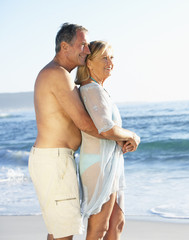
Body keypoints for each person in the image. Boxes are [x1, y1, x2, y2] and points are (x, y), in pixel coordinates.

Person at [28, 23, 139, 240]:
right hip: (54, 160)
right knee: (64, 232)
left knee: (61, 230)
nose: (87, 50)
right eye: (83, 45)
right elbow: (87, 124)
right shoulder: (58, 74)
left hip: (58, 159)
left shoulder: (61, 76)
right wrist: (129, 136)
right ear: (64, 46)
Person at [75, 40, 140, 240]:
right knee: (99, 228)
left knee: (116, 222)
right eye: (104, 57)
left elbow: (105, 129)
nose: (110, 62)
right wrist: (132, 136)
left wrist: (121, 140)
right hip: (99, 165)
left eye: (111, 57)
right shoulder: (91, 89)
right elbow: (106, 128)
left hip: (110, 162)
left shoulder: (98, 90)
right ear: (89, 63)